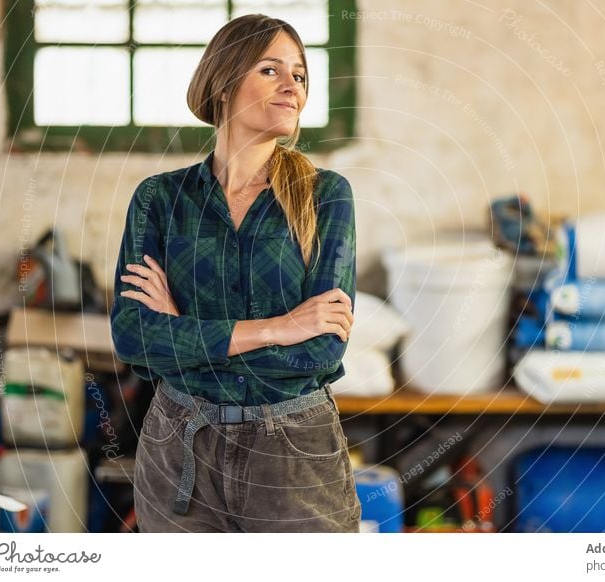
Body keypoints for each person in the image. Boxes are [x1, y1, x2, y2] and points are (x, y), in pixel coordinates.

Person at [109, 13, 360, 533]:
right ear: (223, 84)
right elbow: (133, 336)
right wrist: (278, 327)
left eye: (300, 75)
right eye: (271, 70)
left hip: (294, 453)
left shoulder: (326, 195)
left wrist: (181, 332)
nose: (293, 85)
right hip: (178, 447)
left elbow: (319, 349)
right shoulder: (159, 200)